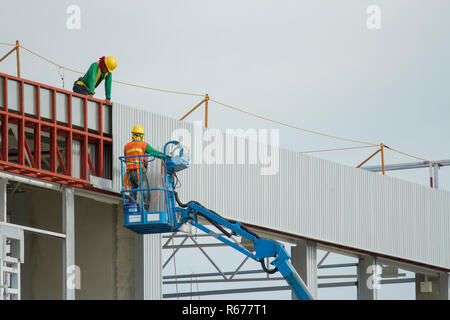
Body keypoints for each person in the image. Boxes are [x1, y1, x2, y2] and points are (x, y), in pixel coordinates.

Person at [124, 125, 166, 211]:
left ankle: (132, 210)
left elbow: (126, 159)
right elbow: (155, 152)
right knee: (146, 193)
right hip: (139, 172)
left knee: (133, 193)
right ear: (141, 135)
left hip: (130, 173)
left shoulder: (127, 146)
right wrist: (166, 157)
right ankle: (145, 211)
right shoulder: (143, 144)